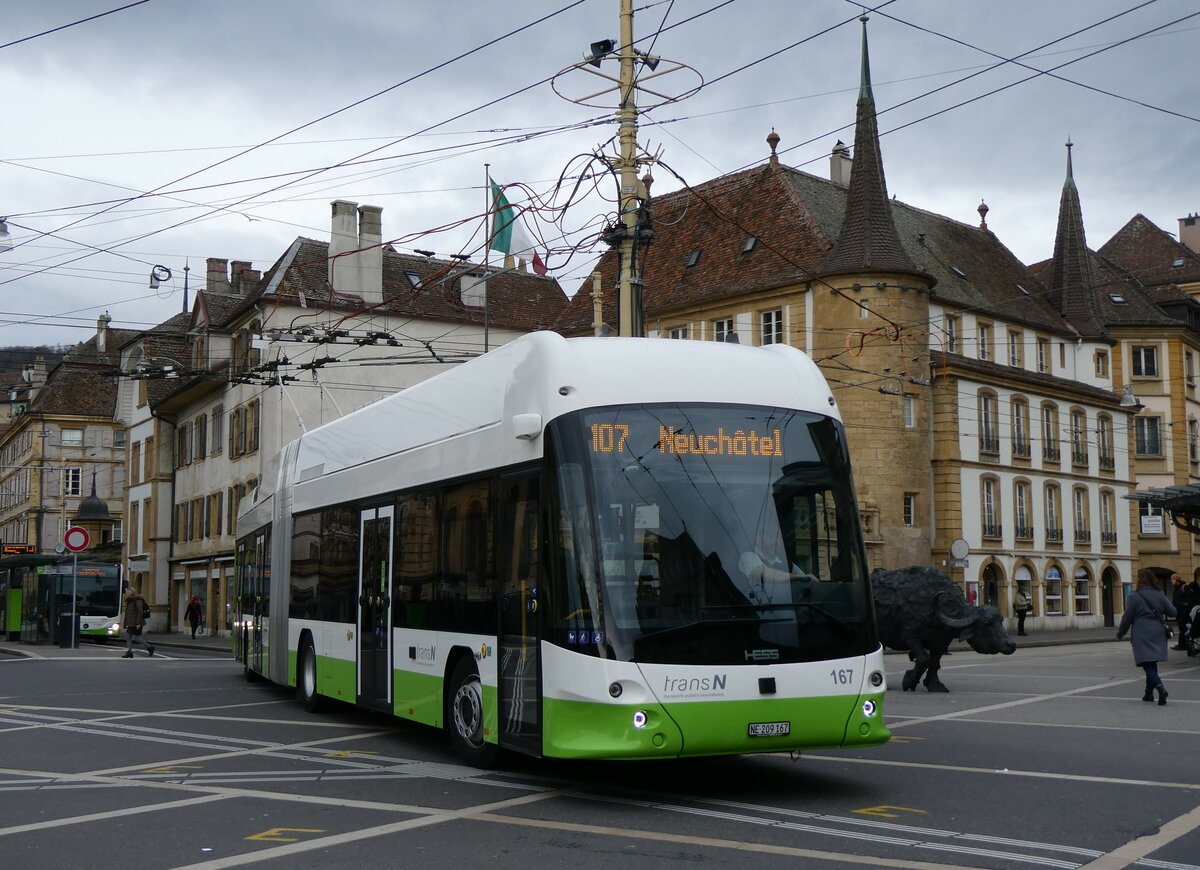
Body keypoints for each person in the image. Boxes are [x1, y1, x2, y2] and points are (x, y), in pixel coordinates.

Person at [1116, 568, 1175, 704]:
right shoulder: (1160, 594)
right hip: (1158, 632)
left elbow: (1127, 617)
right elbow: (1172, 612)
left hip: (1141, 633)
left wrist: (1121, 633)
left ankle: (1160, 688)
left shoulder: (1134, 596)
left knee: (1146, 663)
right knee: (1151, 662)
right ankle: (1148, 693)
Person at [122, 586, 155, 659]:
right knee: (128, 636)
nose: (125, 594)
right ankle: (130, 652)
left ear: (131, 593)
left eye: (127, 593)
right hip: (131, 622)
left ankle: (149, 647)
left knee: (135, 637)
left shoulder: (137, 600)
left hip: (136, 622)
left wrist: (138, 623)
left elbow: (140, 612)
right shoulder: (129, 600)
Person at [1170, 574, 1189, 649]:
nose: (1171, 581)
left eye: (1172, 579)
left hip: (1183, 611)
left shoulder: (1183, 587)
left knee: (1183, 628)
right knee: (1181, 628)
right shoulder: (1175, 588)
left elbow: (1188, 599)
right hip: (1178, 611)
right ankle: (1181, 644)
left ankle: (1182, 645)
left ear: (1175, 579)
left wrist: (1182, 604)